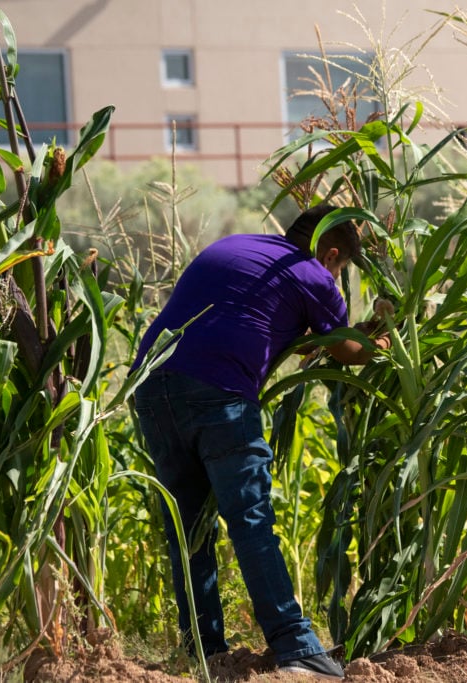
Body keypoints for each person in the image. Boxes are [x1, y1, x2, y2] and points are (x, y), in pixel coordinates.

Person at [132, 204, 390, 681]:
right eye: (341, 269)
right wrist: (382, 337)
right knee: (250, 519)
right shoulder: (312, 273)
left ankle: (204, 652)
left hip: (151, 386)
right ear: (331, 254)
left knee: (188, 527)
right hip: (220, 391)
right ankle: (295, 644)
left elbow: (292, 334)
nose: (336, 276)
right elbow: (345, 350)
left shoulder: (233, 247)